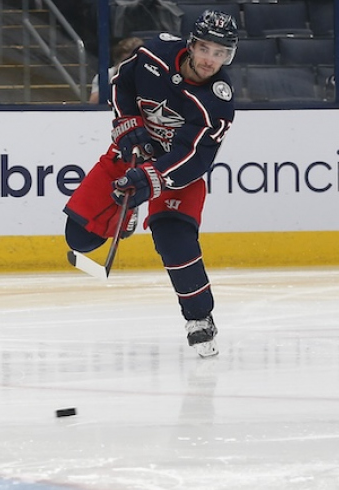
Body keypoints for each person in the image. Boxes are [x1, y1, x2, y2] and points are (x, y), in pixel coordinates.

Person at [63, 10, 239, 358]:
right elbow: (121, 85)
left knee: (174, 239)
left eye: (221, 53)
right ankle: (124, 216)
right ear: (192, 45)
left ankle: (199, 317)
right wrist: (129, 128)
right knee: (79, 239)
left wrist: (150, 179)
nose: (211, 60)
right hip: (132, 154)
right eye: (206, 49)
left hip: (176, 174)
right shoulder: (153, 55)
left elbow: (195, 158)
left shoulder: (217, 101)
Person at [89, 36, 143, 104]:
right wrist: (115, 80)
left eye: (134, 61)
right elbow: (93, 103)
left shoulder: (149, 75)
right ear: (118, 61)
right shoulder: (106, 75)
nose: (130, 66)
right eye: (126, 61)